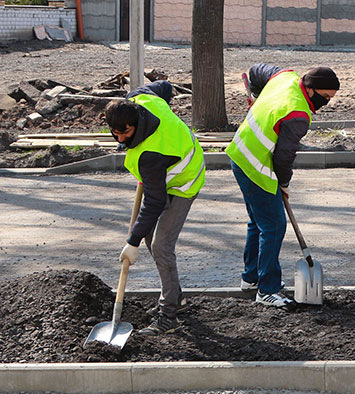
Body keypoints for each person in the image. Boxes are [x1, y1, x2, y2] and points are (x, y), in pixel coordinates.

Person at [226, 64, 339, 308]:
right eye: (325, 97)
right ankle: (267, 289)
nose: (326, 103)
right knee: (274, 225)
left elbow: (257, 69)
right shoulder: (298, 114)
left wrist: (256, 94)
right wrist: (283, 183)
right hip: (255, 164)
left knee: (259, 222)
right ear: (310, 90)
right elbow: (284, 157)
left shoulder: (286, 78)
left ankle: (251, 278)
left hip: (239, 153)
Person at [105, 80, 205, 335]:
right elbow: (164, 86)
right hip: (162, 173)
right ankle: (177, 298)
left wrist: (132, 240)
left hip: (184, 180)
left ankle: (169, 315)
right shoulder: (141, 99)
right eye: (115, 133)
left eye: (125, 133)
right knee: (153, 240)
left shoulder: (151, 156)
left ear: (136, 123)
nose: (120, 138)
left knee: (161, 245)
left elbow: (154, 202)